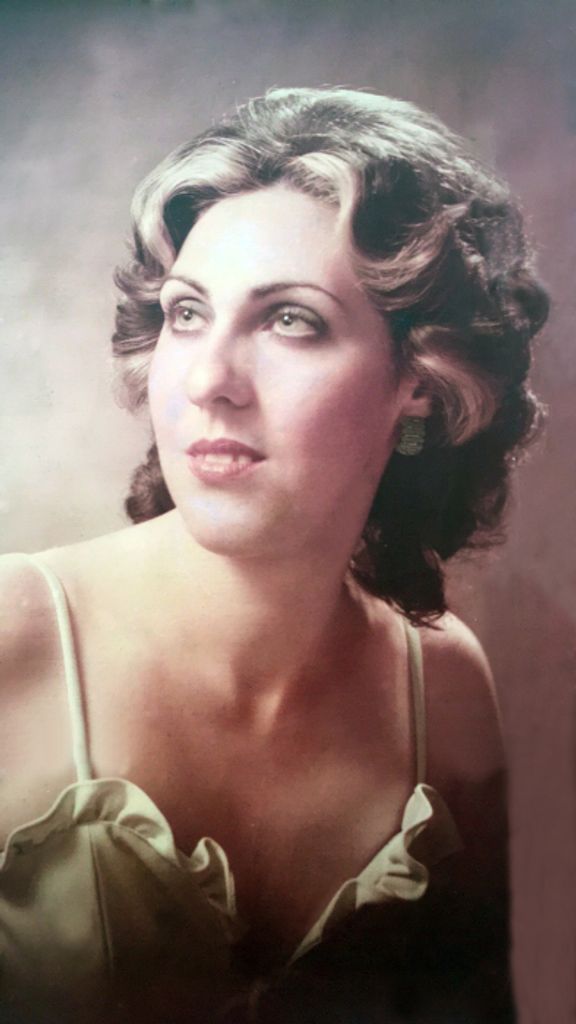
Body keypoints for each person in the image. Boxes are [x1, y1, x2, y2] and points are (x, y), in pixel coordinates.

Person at [0, 87, 548, 1023]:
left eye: (290, 320)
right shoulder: (13, 640)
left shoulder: (446, 688)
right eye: (187, 314)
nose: (209, 380)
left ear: (422, 379)